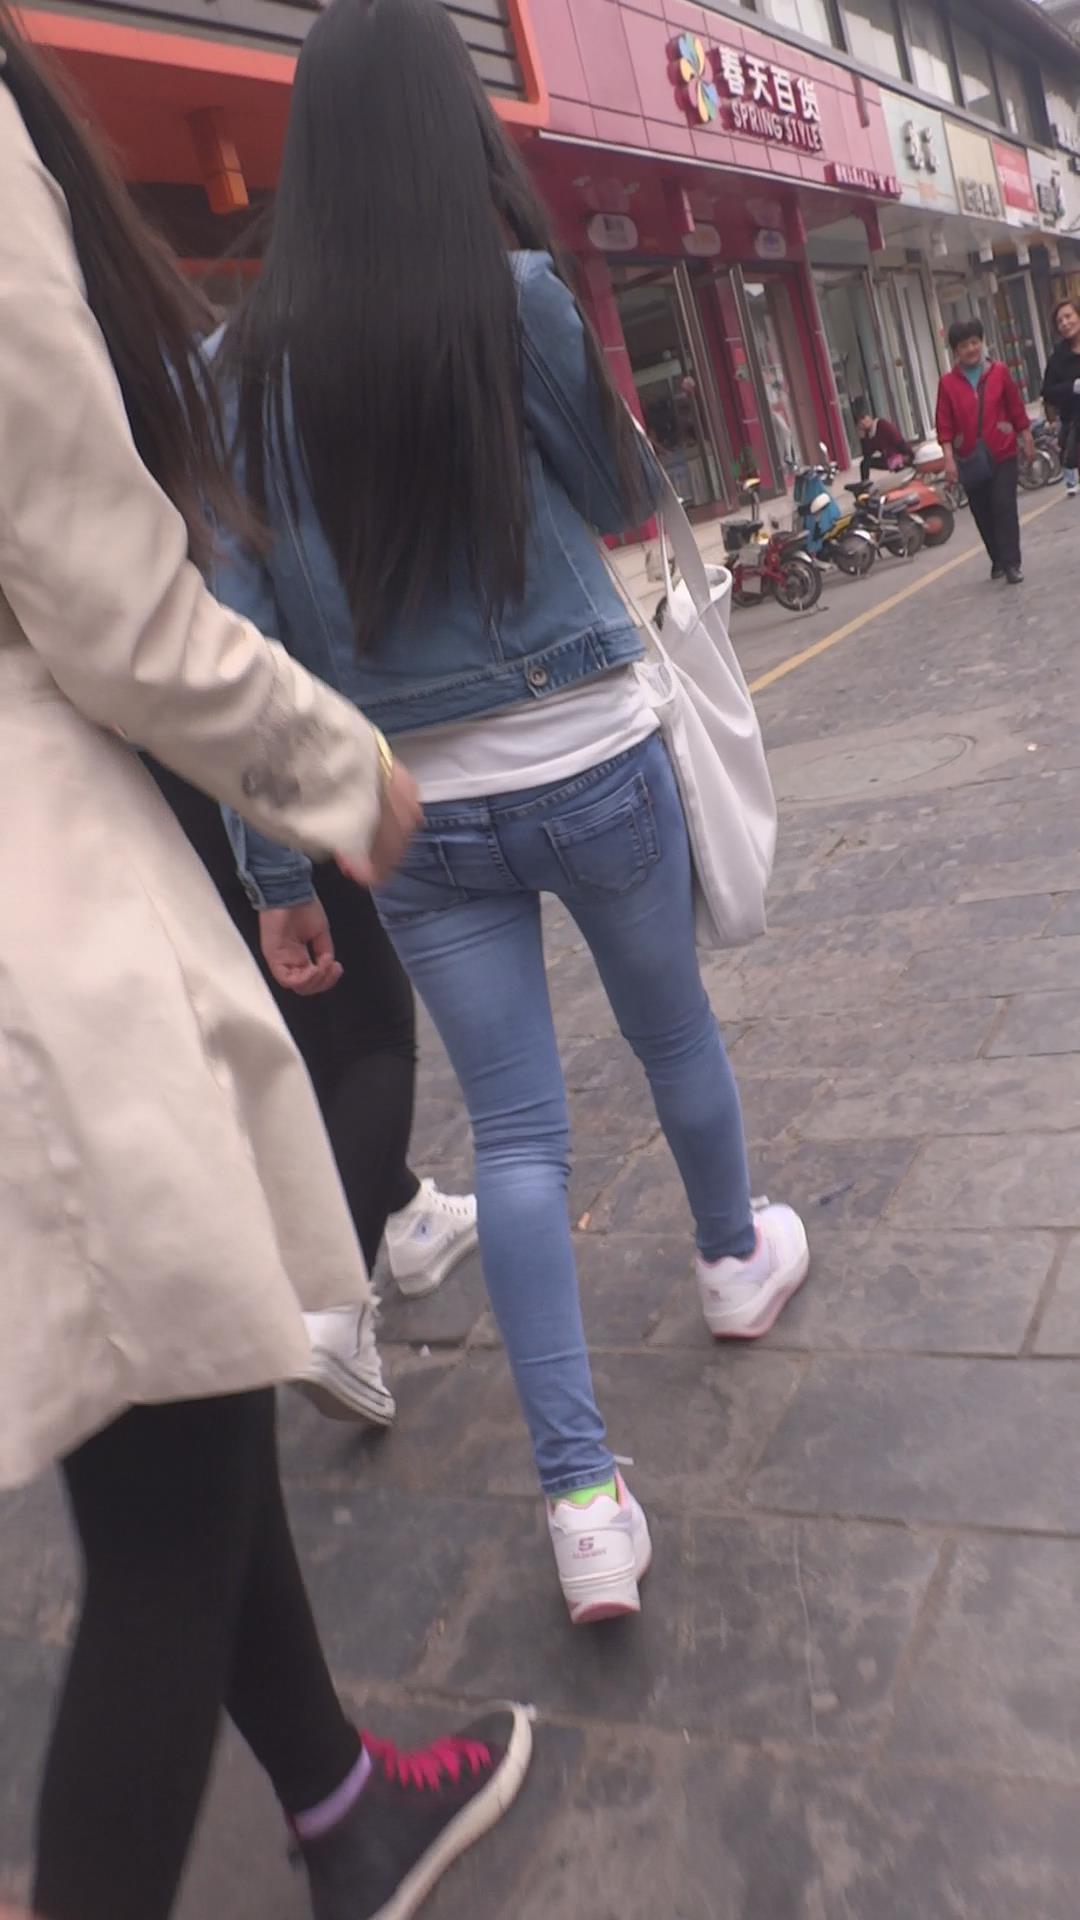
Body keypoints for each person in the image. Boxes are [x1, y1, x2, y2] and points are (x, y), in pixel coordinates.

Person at [0, 19, 531, 1920]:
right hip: (47, 921)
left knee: (183, 1402)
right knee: (170, 1510)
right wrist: (335, 771)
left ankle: (338, 1805)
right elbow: (111, 598)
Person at [211, 0, 810, 1627]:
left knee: (520, 1137)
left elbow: (238, 651)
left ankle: (583, 1505)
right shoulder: (521, 298)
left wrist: (275, 874)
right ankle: (734, 1261)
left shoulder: (234, 374)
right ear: (451, 133)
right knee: (673, 1035)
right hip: (592, 754)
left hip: (407, 813)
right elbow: (615, 499)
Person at [149, 761, 479, 1429]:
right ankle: (335, 1308)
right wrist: (285, 874)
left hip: (172, 794)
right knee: (376, 1033)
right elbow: (232, 699)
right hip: (252, 780)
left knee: (310, 1015)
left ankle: (407, 1212)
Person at [937, 317, 1034, 585]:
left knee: (1004, 506)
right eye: (964, 345)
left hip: (1002, 450)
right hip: (969, 456)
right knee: (982, 510)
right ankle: (997, 558)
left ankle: (1012, 563)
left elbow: (1015, 407)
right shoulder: (947, 383)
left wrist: (1026, 436)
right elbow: (944, 424)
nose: (971, 349)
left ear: (982, 342)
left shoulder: (999, 371)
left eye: (974, 342)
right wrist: (948, 458)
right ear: (955, 351)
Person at [1041, 298, 1080, 501]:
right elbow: (1048, 391)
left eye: (1068, 316)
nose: (1065, 323)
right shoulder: (1058, 357)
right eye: (1059, 321)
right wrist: (1072, 387)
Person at [853, 402, 913, 483]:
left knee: (899, 466)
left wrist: (909, 455)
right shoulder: (869, 434)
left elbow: (898, 440)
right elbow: (867, 455)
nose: (863, 422)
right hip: (888, 459)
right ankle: (864, 485)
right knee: (864, 463)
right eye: (860, 422)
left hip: (898, 455)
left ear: (869, 417)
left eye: (864, 418)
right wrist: (863, 439)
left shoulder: (882, 424)